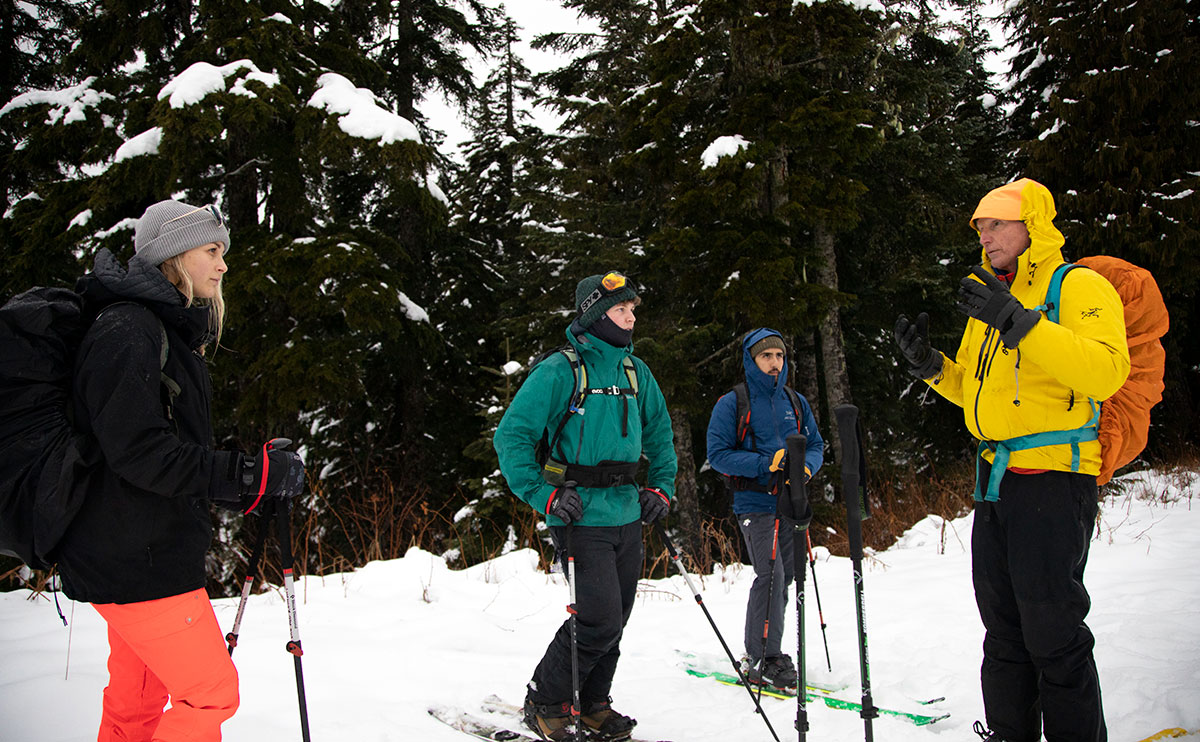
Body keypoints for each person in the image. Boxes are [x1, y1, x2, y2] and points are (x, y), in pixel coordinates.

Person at [55, 199, 305, 742]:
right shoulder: (129, 329)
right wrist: (249, 476)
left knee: (136, 704)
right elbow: (140, 451)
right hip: (137, 559)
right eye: (212, 251)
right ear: (173, 256)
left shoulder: (155, 330)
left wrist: (246, 471)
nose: (223, 265)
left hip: (132, 552)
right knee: (210, 695)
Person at [893, 178, 1129, 742]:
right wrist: (931, 366)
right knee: (1002, 634)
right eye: (980, 224)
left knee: (1053, 632)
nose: (984, 233)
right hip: (996, 487)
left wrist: (1020, 321)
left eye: (997, 222)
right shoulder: (989, 297)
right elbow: (982, 394)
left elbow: (1106, 370)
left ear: (1034, 227)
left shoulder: (1077, 287)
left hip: (1054, 482)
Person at [493, 271, 677, 742]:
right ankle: (546, 699)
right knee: (597, 617)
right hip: (578, 514)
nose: (631, 318)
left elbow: (659, 433)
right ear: (596, 315)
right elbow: (512, 438)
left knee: (617, 619)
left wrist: (660, 489)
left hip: (626, 512)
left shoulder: (636, 372)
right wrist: (546, 496)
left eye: (633, 309)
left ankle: (593, 702)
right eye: (622, 310)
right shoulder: (560, 370)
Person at [705, 328, 824, 689]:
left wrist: (805, 467)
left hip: (791, 501)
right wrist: (764, 463)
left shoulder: (795, 401)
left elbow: (816, 444)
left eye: (779, 357)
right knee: (770, 575)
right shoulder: (733, 403)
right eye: (766, 357)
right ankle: (761, 657)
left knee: (784, 577)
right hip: (754, 502)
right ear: (751, 361)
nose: (774, 364)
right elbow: (718, 455)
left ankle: (769, 651)